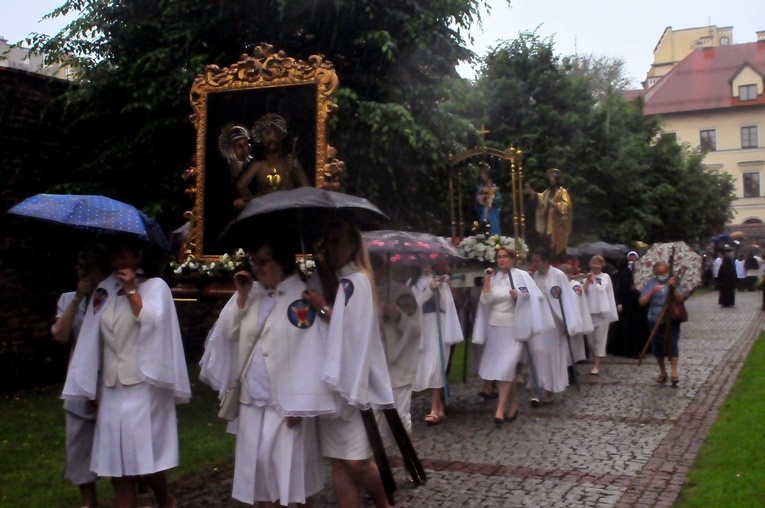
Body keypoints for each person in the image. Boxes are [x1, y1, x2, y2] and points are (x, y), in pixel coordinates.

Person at [200, 240, 335, 506]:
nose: (257, 268)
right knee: (260, 477)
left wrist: (302, 403)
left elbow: (313, 352)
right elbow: (228, 333)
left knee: (289, 477)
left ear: (281, 262)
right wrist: (241, 295)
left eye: (263, 262)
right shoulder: (252, 293)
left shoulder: (301, 295)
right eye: (254, 262)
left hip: (288, 404)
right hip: (253, 399)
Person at [62, 235, 191, 508]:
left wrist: (132, 290)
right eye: (113, 256)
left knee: (144, 464)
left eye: (122, 255)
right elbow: (90, 338)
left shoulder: (156, 287)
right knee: (116, 469)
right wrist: (87, 383)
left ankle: (163, 497)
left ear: (138, 255)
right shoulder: (104, 291)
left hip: (143, 388)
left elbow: (154, 323)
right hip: (111, 390)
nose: (117, 261)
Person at [301, 219, 394, 508]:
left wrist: (322, 306)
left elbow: (354, 332)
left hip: (353, 383)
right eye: (328, 243)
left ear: (354, 244)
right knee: (339, 463)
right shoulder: (334, 280)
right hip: (330, 383)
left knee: (357, 463)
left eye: (337, 242)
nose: (332, 248)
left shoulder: (358, 281)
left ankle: (384, 504)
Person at [51, 243, 111, 508]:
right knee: (79, 455)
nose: (83, 272)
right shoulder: (67, 299)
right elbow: (60, 335)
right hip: (78, 386)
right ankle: (89, 502)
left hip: (109, 383)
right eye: (79, 267)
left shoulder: (113, 297)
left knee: (119, 452)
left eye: (89, 267)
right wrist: (77, 298)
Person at [472, 246, 553, 423]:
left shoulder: (520, 275)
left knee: (506, 368)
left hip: (513, 329)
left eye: (505, 257)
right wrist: (487, 279)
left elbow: (534, 295)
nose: (502, 260)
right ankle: (513, 403)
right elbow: (486, 301)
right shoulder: (494, 278)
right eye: (499, 257)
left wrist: (520, 295)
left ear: (512, 259)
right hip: (495, 328)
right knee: (501, 371)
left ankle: (500, 409)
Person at [370, 255, 422, 444]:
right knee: (372, 421)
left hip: (398, 365)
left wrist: (397, 316)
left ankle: (411, 465)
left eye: (375, 268)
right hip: (374, 365)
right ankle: (378, 467)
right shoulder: (365, 293)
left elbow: (416, 329)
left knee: (400, 418)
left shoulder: (402, 293)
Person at [408, 264, 463, 425]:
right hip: (422, 326)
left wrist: (441, 289)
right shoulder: (412, 282)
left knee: (436, 368)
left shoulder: (441, 281)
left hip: (439, 326)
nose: (425, 266)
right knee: (426, 367)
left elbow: (447, 306)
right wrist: (429, 291)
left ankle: (433, 408)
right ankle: (438, 408)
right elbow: (412, 306)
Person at [529, 248, 584, 405]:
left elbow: (567, 300)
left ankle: (548, 390)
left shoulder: (558, 276)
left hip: (555, 321)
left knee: (551, 355)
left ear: (546, 261)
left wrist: (569, 323)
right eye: (533, 261)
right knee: (538, 353)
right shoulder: (535, 276)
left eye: (537, 261)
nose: (534, 264)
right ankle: (538, 388)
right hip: (539, 321)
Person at [236, 113, 310, 201]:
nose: (266, 140)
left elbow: (305, 186)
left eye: (268, 134)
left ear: (278, 133)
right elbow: (241, 185)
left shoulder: (290, 160)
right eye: (262, 138)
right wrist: (254, 203)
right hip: (266, 211)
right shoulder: (259, 164)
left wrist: (294, 199)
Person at [638, 262, 687, 387]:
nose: (662, 275)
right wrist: (652, 292)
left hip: (672, 318)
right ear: (655, 273)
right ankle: (663, 372)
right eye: (659, 273)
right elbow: (642, 302)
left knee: (673, 344)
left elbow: (681, 299)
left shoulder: (675, 281)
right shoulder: (651, 283)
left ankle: (674, 372)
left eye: (664, 272)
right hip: (655, 318)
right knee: (658, 347)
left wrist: (674, 288)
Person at [583, 255, 619, 376]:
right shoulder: (586, 277)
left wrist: (594, 280)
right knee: (590, 342)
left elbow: (602, 288)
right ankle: (597, 356)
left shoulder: (605, 277)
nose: (596, 266)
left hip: (602, 313)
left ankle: (597, 364)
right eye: (594, 263)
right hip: (589, 312)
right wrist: (588, 280)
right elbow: (583, 292)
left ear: (602, 265)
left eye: (598, 264)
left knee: (600, 340)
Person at [527, 168, 573, 260]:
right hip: (548, 220)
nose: (551, 182)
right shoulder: (548, 191)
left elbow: (567, 205)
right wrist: (534, 194)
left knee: (557, 243)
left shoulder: (562, 192)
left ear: (557, 180)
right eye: (550, 181)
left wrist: (555, 204)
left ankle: (558, 259)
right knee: (547, 241)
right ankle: (548, 259)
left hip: (558, 222)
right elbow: (541, 198)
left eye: (553, 180)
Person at [558, 263, 592, 368]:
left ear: (570, 275)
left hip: (573, 322)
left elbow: (575, 303)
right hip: (561, 321)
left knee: (572, 349)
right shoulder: (558, 286)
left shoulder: (575, 286)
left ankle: (571, 371)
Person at [218, 122, 254, 210]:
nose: (243, 149)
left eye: (245, 144)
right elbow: (218, 197)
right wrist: (233, 204)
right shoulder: (223, 171)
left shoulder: (254, 165)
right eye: (239, 146)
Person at [475, 163, 501, 235]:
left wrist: (492, 199)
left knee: (493, 225)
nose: (483, 176)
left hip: (493, 210)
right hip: (483, 210)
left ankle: (495, 240)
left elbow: (499, 199)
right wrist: (483, 198)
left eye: (484, 174)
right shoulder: (480, 188)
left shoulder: (494, 188)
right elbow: (477, 199)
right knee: (484, 224)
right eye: (482, 174)